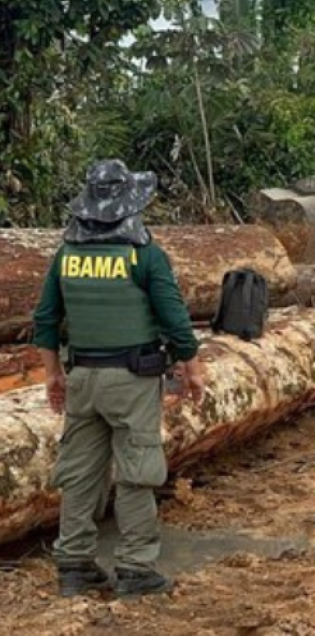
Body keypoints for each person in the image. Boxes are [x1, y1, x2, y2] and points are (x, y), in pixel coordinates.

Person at [32, 160, 205, 599]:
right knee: (137, 472)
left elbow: (46, 318)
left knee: (79, 472)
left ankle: (74, 565)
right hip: (131, 379)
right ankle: (135, 567)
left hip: (82, 378)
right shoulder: (144, 255)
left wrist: (52, 374)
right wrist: (191, 366)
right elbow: (174, 317)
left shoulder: (67, 256)